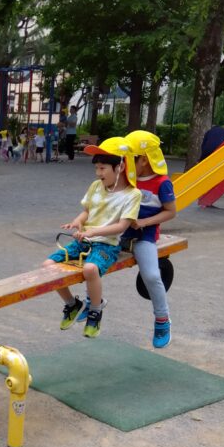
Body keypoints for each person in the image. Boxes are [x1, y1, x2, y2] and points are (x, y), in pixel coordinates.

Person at [43, 136, 141, 338]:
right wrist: (78, 221)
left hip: (107, 245)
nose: (98, 173)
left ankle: (95, 310)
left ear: (120, 166)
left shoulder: (133, 195)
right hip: (84, 240)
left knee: (90, 268)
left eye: (103, 168)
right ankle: (72, 304)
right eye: (96, 168)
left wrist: (92, 231)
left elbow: (121, 226)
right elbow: (87, 211)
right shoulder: (96, 186)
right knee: (47, 266)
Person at [121, 129, 177, 348]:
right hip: (121, 232)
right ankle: (90, 305)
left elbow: (171, 212)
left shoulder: (162, 183)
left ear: (143, 159)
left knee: (152, 276)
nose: (125, 162)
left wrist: (144, 222)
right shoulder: (127, 177)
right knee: (92, 261)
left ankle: (162, 320)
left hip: (144, 235)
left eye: (130, 157)